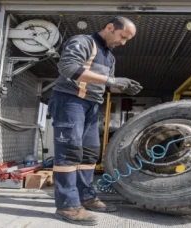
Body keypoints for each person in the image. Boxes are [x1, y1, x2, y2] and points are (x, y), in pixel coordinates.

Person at [48, 16, 142, 226]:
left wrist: (124, 86)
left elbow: (108, 85)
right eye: (122, 36)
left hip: (92, 106)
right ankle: (67, 206)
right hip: (70, 101)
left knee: (90, 153)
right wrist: (112, 81)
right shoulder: (82, 42)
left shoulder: (109, 56)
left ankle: (86, 197)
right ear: (110, 27)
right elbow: (68, 68)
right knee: (69, 152)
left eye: (127, 39)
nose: (123, 42)